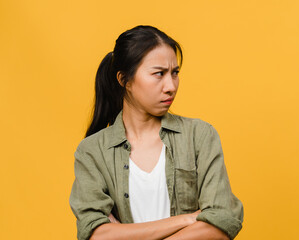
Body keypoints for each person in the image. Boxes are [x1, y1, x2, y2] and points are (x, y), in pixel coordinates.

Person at [69, 25, 244, 240]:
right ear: (124, 80)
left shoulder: (199, 136)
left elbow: (222, 222)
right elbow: (98, 235)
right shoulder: (92, 152)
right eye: (158, 74)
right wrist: (186, 219)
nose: (171, 86)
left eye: (175, 73)